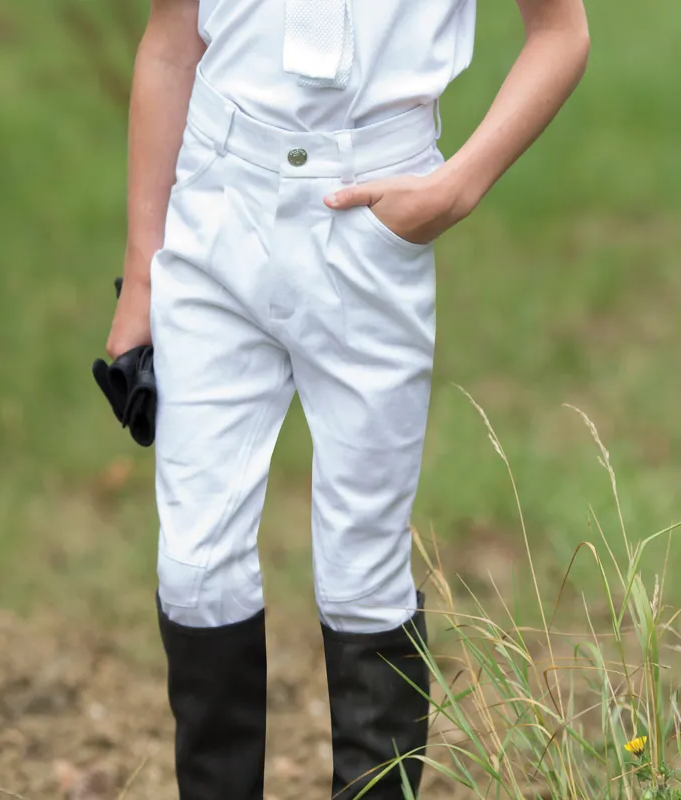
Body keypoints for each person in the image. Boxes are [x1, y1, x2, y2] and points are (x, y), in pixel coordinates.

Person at [104, 1, 589, 797]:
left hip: (374, 220)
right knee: (194, 565)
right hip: (217, 215)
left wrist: (456, 187)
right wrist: (144, 272)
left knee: (364, 564)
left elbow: (561, 32)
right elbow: (168, 44)